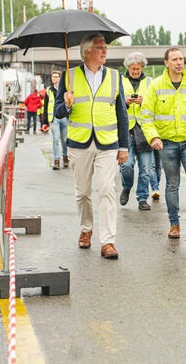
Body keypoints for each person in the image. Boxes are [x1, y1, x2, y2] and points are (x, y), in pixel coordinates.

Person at [54, 34, 129, 259]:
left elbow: (122, 115)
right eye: (99, 48)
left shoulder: (115, 77)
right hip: (79, 144)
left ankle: (108, 241)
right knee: (83, 193)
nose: (105, 51)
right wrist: (66, 104)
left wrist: (124, 146)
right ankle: (86, 229)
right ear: (86, 51)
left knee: (107, 190)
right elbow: (57, 112)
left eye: (105, 48)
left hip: (108, 145)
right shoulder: (69, 76)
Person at [140, 48, 186, 240]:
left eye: (181, 59)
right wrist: (153, 137)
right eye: (174, 59)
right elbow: (146, 116)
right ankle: (174, 224)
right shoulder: (156, 86)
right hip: (167, 143)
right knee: (172, 184)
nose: (179, 62)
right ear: (166, 63)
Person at [119, 52, 159, 210]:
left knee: (145, 169)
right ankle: (127, 187)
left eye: (138, 68)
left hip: (144, 130)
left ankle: (142, 198)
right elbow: (114, 104)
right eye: (132, 68)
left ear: (142, 67)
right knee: (127, 165)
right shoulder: (120, 82)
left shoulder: (150, 82)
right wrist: (126, 102)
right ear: (127, 67)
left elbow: (156, 106)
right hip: (126, 130)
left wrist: (145, 103)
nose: (135, 71)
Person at [43, 71, 68, 170]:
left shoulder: (65, 88)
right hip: (53, 119)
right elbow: (46, 106)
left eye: (56, 77)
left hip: (64, 118)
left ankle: (65, 157)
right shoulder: (49, 90)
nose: (53, 79)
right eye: (52, 77)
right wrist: (45, 122)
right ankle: (56, 161)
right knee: (55, 139)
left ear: (60, 78)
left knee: (64, 140)